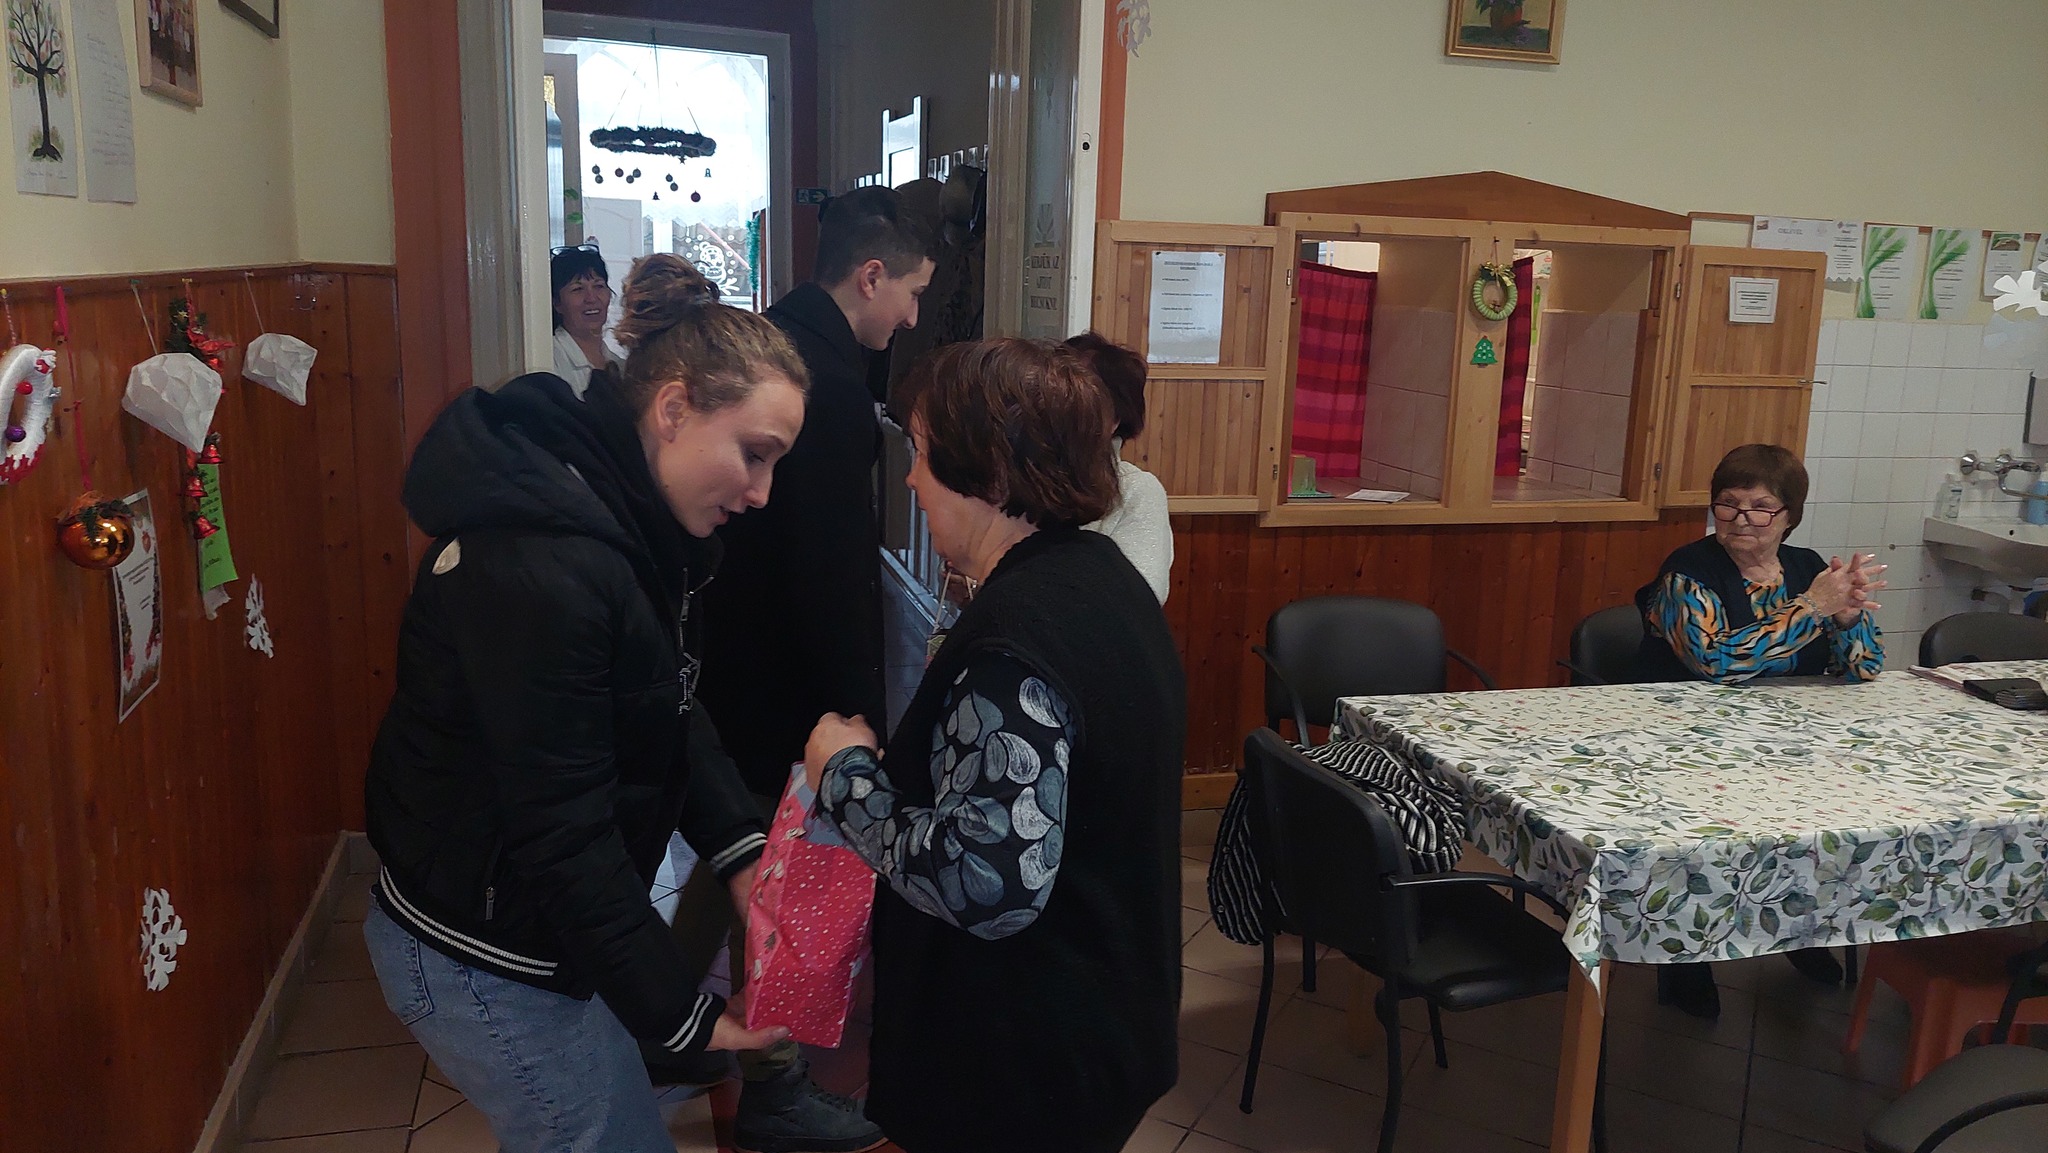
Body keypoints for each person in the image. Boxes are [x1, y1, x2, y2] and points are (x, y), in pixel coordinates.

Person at [361, 254, 873, 1153]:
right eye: (753, 454)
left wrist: (740, 850)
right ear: (673, 409)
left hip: (536, 930)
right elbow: (564, 833)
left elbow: (672, 704)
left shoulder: (626, 519)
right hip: (482, 950)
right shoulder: (547, 563)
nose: (762, 493)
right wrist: (683, 1015)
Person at [802, 338, 1188, 1153]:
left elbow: (987, 883)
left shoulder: (1018, 644)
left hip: (1025, 1063)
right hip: (1105, 1016)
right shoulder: (1106, 580)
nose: (911, 479)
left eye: (923, 454)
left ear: (994, 475)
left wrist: (844, 776)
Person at [1634, 442, 1887, 1019]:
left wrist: (1848, 618)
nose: (1742, 518)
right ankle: (1684, 958)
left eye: (1761, 507)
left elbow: (1865, 668)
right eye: (1728, 503)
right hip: (1683, 737)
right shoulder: (1687, 572)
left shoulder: (1807, 568)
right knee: (1699, 847)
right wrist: (1813, 610)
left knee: (1816, 828)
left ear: (1789, 515)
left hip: (1787, 738)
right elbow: (1717, 662)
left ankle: (1798, 932)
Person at [698, 185, 933, 797]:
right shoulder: (824, 384)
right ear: (871, 277)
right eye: (913, 294)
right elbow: (833, 570)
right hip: (786, 686)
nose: (913, 318)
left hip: (735, 655)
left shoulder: (773, 339)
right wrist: (858, 718)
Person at [1065, 332, 1172, 603]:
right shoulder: (1028, 478)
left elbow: (1139, 597)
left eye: (1074, 399)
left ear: (1114, 418)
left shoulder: (1137, 490)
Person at [551, 242, 625, 397]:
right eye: (578, 289)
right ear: (557, 303)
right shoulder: (550, 360)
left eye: (599, 286)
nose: (591, 298)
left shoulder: (619, 365)